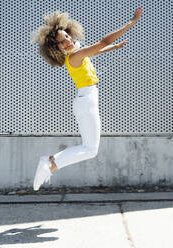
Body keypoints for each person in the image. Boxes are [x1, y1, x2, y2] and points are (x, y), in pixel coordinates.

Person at [30, 7, 144, 190]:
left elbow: (95, 51)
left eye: (67, 36)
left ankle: (51, 163)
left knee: (89, 148)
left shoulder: (76, 55)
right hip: (86, 101)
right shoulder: (75, 56)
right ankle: (50, 163)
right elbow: (103, 41)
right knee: (90, 149)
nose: (67, 41)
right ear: (56, 48)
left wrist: (114, 47)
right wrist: (132, 22)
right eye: (62, 42)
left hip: (85, 100)